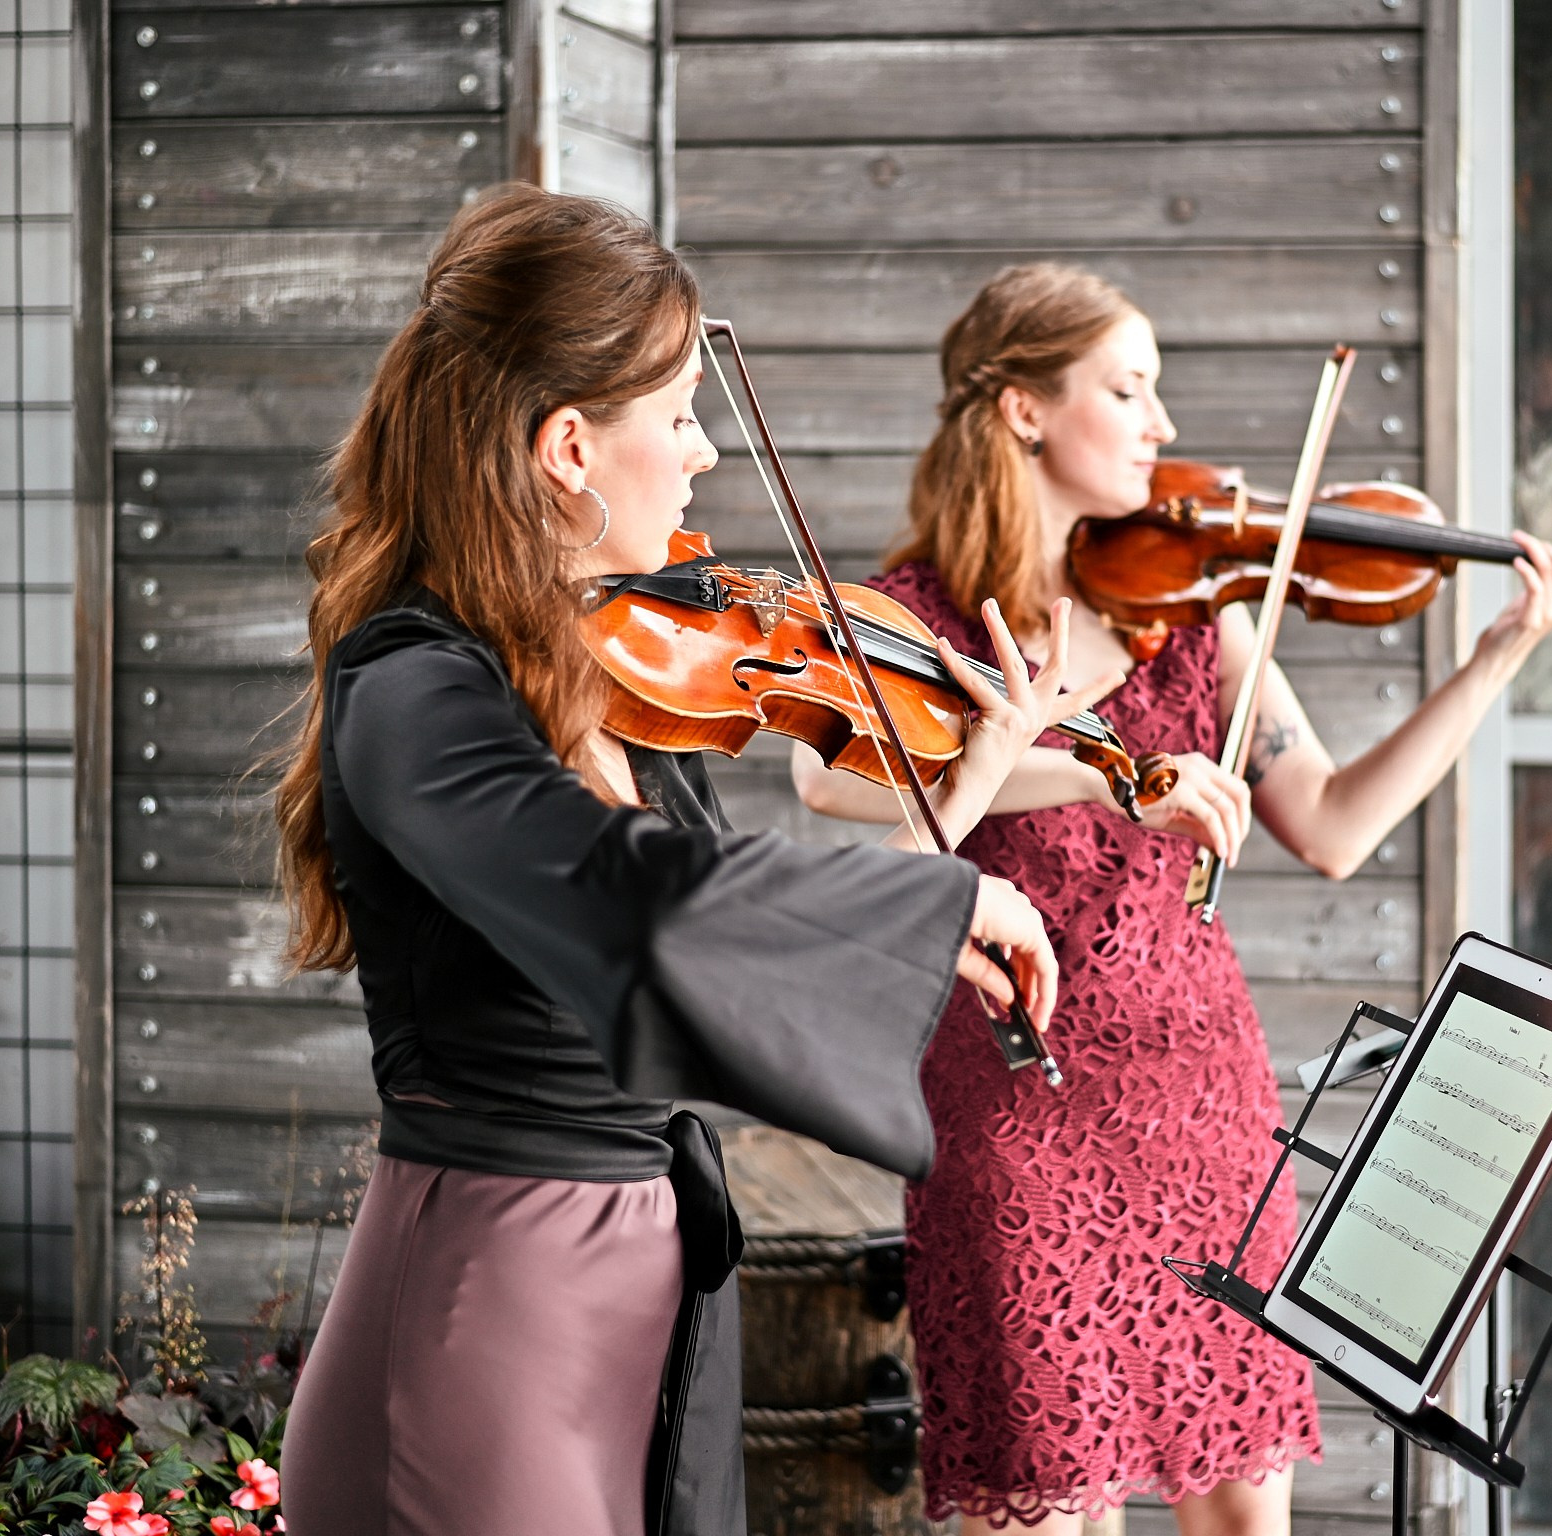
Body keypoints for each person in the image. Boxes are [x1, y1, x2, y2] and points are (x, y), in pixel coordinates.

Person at [273, 190, 1113, 1536]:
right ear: (569, 449)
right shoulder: (415, 689)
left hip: (635, 1302)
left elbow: (723, 951)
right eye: (677, 416)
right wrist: (936, 899)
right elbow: (635, 906)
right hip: (488, 1316)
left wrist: (955, 817)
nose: (707, 453)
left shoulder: (612, 685)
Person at [792, 264, 1552, 1536]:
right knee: (1050, 1508)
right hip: (1013, 1111)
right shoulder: (910, 622)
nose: (1162, 426)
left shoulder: (1191, 619)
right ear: (1021, 410)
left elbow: (1332, 824)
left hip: (1201, 1105)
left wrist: (1493, 660)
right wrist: (1103, 772)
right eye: (1127, 390)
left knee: (1242, 1519)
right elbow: (829, 781)